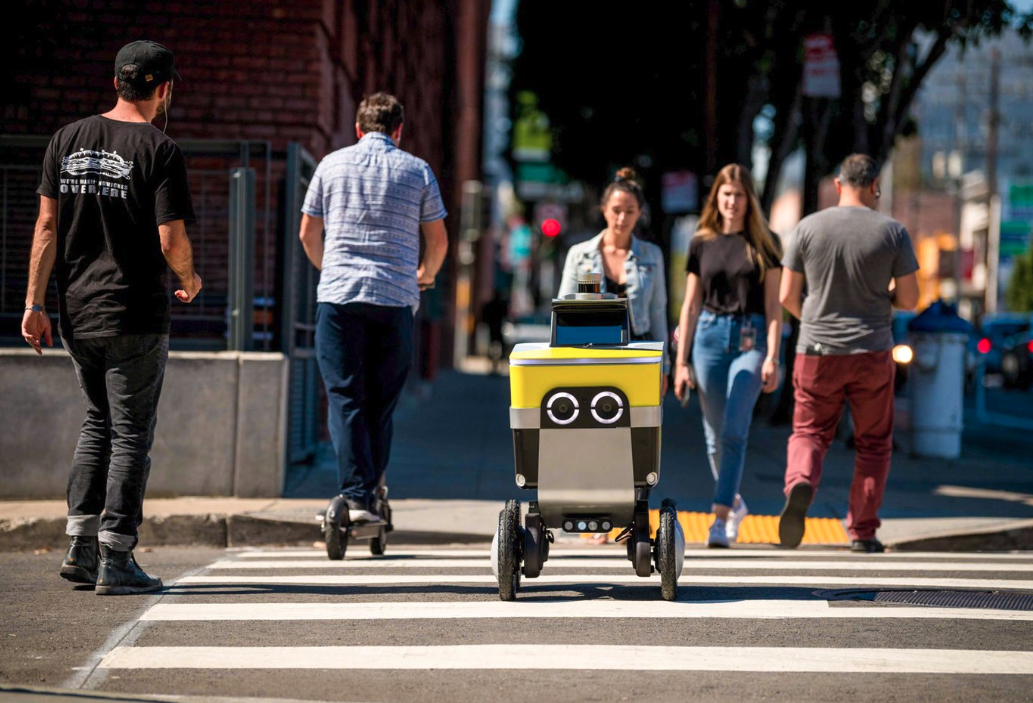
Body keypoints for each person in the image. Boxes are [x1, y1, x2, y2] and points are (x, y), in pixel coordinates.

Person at [23, 40, 201, 594]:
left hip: (77, 312)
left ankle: (79, 547)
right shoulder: (159, 149)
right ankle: (117, 557)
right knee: (130, 435)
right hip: (135, 314)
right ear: (163, 89)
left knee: (97, 422)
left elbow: (47, 229)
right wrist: (189, 279)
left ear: (116, 83)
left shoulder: (66, 138)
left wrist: (33, 303)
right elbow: (170, 236)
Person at [299, 93, 449, 523]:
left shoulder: (331, 164)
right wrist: (425, 273)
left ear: (359, 129)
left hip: (339, 299)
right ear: (398, 131)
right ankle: (372, 489)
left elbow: (309, 232)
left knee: (345, 398)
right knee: (380, 403)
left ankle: (355, 495)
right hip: (394, 299)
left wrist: (330, 269)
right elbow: (438, 241)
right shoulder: (418, 170)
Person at [778, 153, 920, 553]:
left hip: (817, 351)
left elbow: (787, 296)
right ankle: (861, 530)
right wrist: (880, 294)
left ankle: (802, 480)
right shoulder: (893, 232)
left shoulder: (807, 228)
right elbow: (910, 298)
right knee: (874, 443)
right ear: (875, 185)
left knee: (809, 431)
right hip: (872, 352)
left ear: (838, 185)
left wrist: (815, 317)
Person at [673, 164, 782, 548]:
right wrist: (680, 362)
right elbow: (689, 305)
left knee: (735, 430)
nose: (732, 201)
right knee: (714, 439)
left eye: (739, 194)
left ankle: (718, 519)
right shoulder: (701, 242)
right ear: (716, 198)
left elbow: (774, 308)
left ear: (749, 199)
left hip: (751, 342)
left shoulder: (767, 244)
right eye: (726, 194)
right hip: (706, 338)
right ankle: (735, 501)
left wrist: (772, 357)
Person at [558, 168, 669, 388]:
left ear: (639, 213)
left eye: (630, 211)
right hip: (591, 349)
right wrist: (562, 360)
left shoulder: (651, 255)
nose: (622, 218)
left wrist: (664, 366)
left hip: (640, 350)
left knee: (640, 418)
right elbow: (565, 310)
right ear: (604, 210)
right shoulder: (580, 255)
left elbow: (657, 312)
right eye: (616, 210)